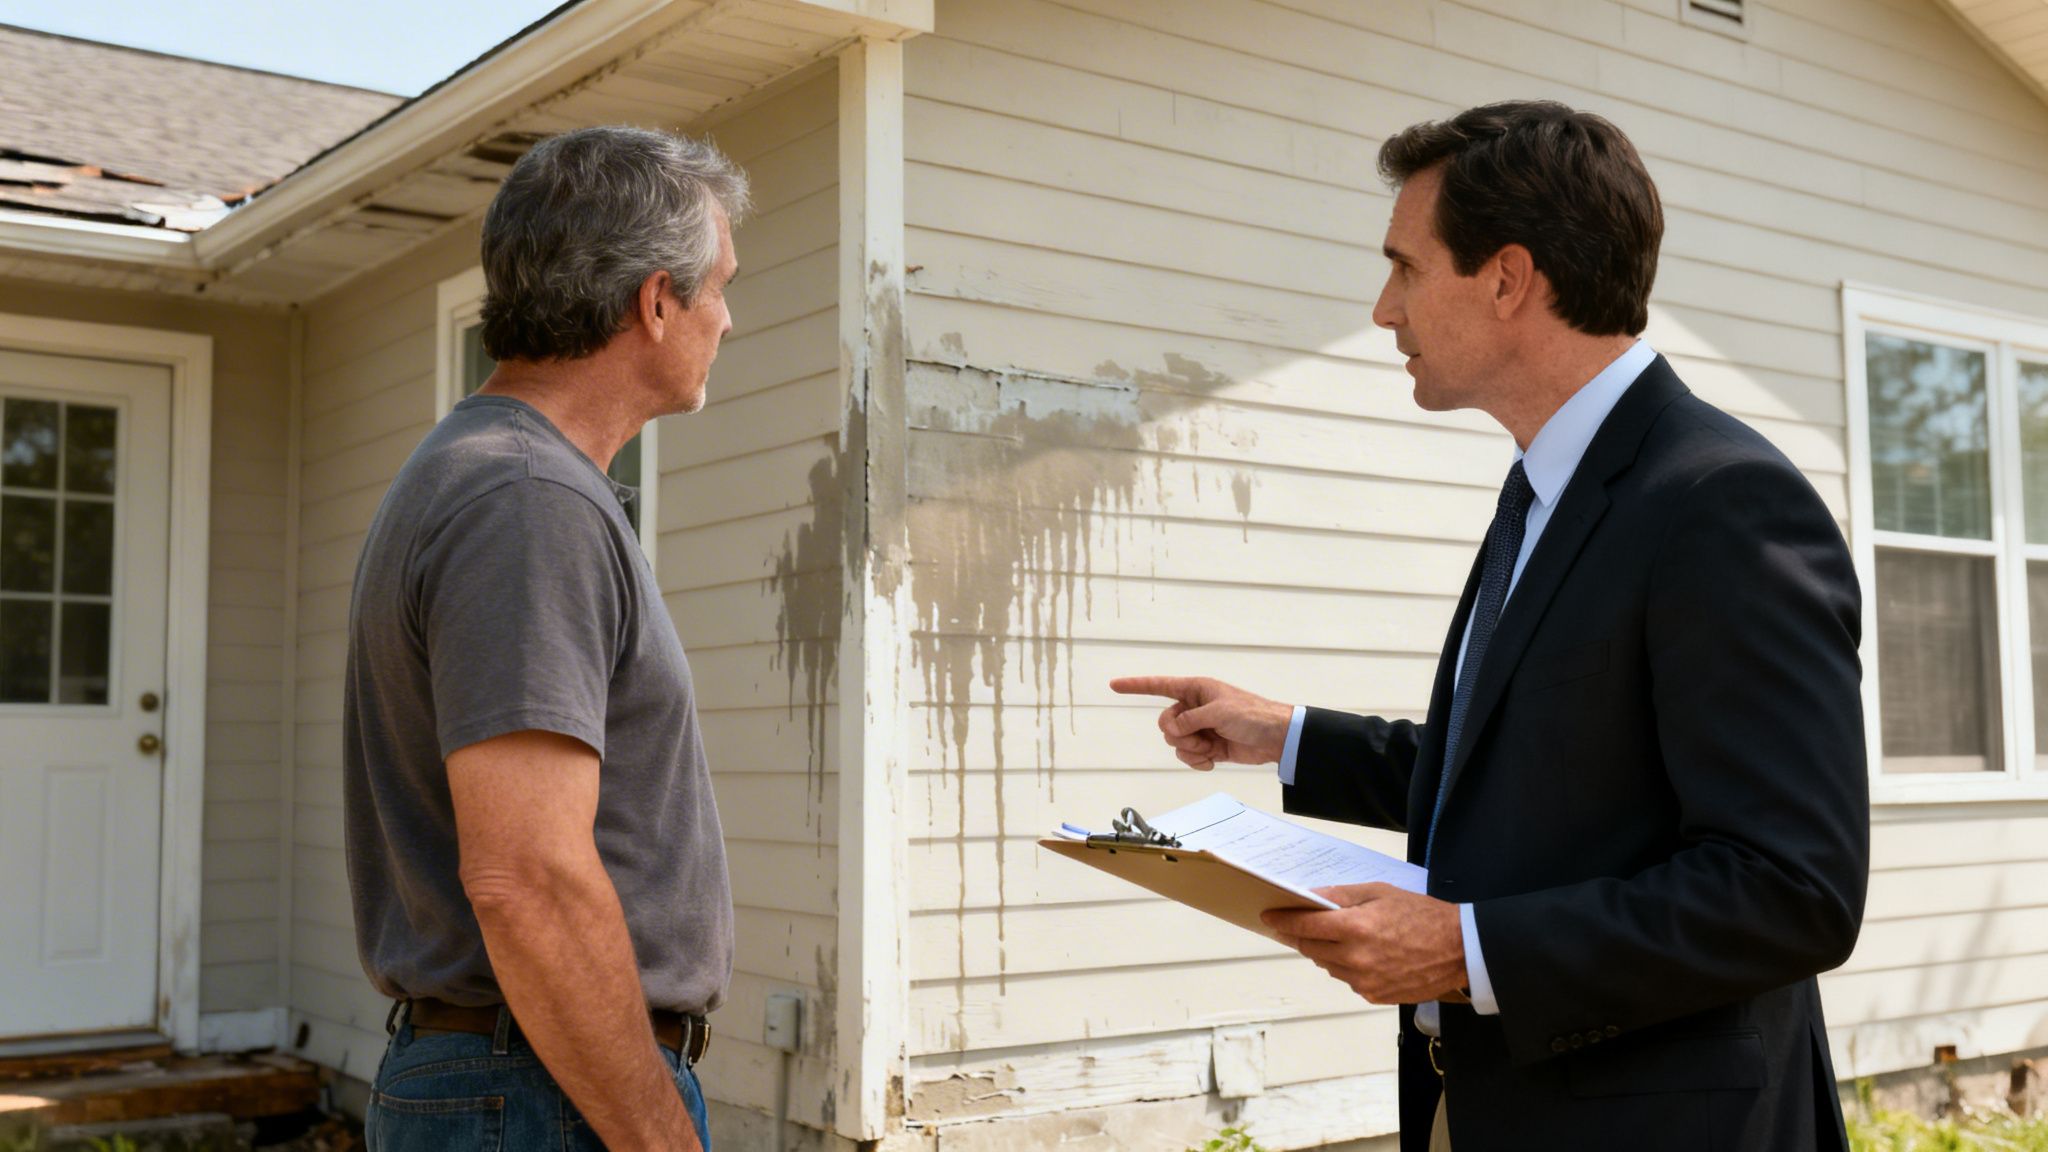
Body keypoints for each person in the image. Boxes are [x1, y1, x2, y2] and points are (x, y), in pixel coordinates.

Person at [1113, 102, 1867, 1152]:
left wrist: (1466, 950)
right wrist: (1286, 734)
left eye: (1405, 269)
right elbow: (1550, 778)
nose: (1384, 310)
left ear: (1508, 278)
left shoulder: (1718, 502)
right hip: (1482, 1101)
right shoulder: (1543, 493)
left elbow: (1792, 892)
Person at [342, 125, 748, 1152]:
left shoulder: (492, 474)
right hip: (537, 1095)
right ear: (656, 302)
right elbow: (524, 878)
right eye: (718, 289)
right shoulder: (524, 499)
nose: (728, 321)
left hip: (522, 1080)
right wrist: (658, 1137)